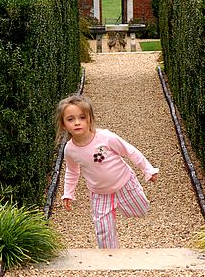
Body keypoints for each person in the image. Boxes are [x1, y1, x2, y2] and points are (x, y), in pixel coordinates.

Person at [55, 94, 159, 249]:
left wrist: (148, 169)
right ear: (63, 124)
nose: (77, 122)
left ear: (90, 119)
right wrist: (68, 193)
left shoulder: (106, 137)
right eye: (70, 119)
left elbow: (130, 151)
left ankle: (124, 204)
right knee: (103, 230)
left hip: (124, 183)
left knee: (141, 210)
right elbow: (72, 171)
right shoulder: (70, 149)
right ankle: (110, 257)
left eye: (82, 117)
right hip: (99, 193)